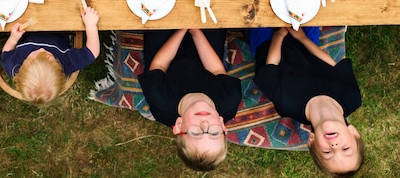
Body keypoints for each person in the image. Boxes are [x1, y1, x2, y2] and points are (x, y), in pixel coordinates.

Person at [250, 27, 364, 177]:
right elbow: (334, 67)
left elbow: (270, 68)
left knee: (258, 16)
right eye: (345, 149)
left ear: (311, 140)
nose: (335, 146)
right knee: (306, 8)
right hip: (305, 44)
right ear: (353, 133)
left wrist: (279, 35)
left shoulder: (288, 105)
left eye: (327, 152)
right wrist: (302, 38)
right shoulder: (352, 98)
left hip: (268, 46)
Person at [138, 28, 241, 171]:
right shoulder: (229, 100)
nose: (205, 125)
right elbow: (217, 71)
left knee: (159, 17)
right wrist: (195, 32)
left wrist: (183, 28)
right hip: (204, 55)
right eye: (214, 133)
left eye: (196, 133)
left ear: (179, 126)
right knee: (211, 15)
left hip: (167, 55)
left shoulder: (159, 99)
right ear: (223, 126)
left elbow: (159, 65)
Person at [2, 6, 100, 103]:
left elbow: (6, 53)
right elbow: (92, 52)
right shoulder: (66, 63)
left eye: (33, 56)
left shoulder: (13, 67)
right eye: (49, 56)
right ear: (59, 69)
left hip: (25, 21)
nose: (41, 49)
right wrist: (91, 26)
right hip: (59, 20)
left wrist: (13, 39)